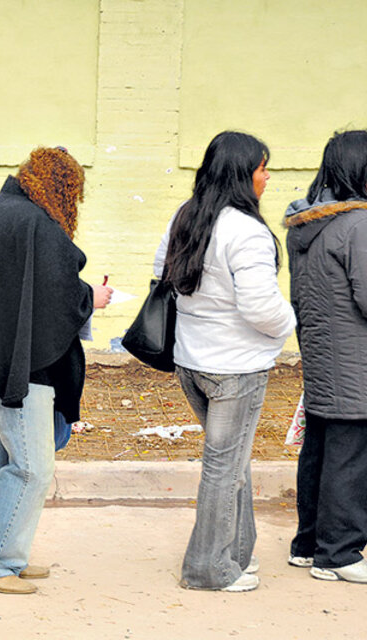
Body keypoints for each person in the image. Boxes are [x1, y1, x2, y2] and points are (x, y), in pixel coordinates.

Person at [0, 146, 111, 595]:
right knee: (33, 467)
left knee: (4, 458)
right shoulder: (35, 223)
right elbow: (58, 295)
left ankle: (2, 550)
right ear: (63, 188)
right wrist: (91, 299)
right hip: (21, 371)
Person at [155, 131, 295, 592]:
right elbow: (260, 306)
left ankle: (236, 553)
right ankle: (207, 569)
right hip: (235, 368)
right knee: (224, 466)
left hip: (191, 362)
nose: (267, 176)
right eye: (261, 168)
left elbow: (161, 274)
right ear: (241, 174)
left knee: (231, 461)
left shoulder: (186, 216)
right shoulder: (247, 231)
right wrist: (288, 321)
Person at [284, 130, 367, 584]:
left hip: (322, 355)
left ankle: (309, 544)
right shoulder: (358, 225)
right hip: (356, 360)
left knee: (320, 448)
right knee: (351, 457)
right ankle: (339, 554)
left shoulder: (310, 223)